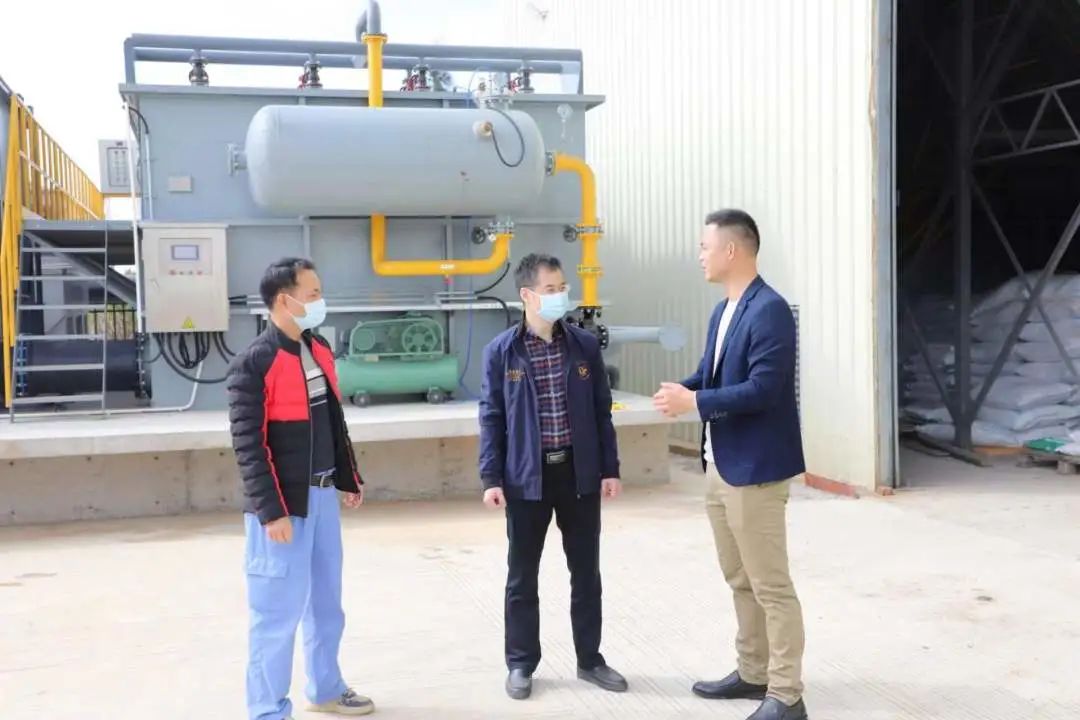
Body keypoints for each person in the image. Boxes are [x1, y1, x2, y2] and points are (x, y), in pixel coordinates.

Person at [653, 210, 808, 720]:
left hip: (756, 469)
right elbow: (710, 375)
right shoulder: (724, 310)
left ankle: (786, 695)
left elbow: (763, 389)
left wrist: (695, 403)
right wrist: (680, 392)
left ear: (732, 251)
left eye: (705, 246)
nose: (699, 255)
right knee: (740, 578)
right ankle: (753, 671)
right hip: (720, 464)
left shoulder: (771, 310)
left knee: (771, 586)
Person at [227, 257, 375, 720]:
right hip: (284, 506)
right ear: (283, 301)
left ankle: (325, 688)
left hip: (324, 496)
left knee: (327, 605)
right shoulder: (254, 363)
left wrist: (348, 477)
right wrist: (271, 512)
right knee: (275, 616)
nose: (319, 301)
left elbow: (332, 422)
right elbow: (249, 445)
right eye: (312, 294)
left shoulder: (318, 348)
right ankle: (267, 711)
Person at [478, 253, 628, 701]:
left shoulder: (583, 346)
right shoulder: (502, 352)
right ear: (527, 295)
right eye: (550, 289)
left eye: (562, 287)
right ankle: (521, 663)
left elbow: (602, 411)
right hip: (527, 479)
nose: (560, 296)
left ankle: (590, 660)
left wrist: (610, 468)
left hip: (578, 475)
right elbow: (491, 417)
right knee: (522, 576)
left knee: (586, 572)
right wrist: (491, 477)